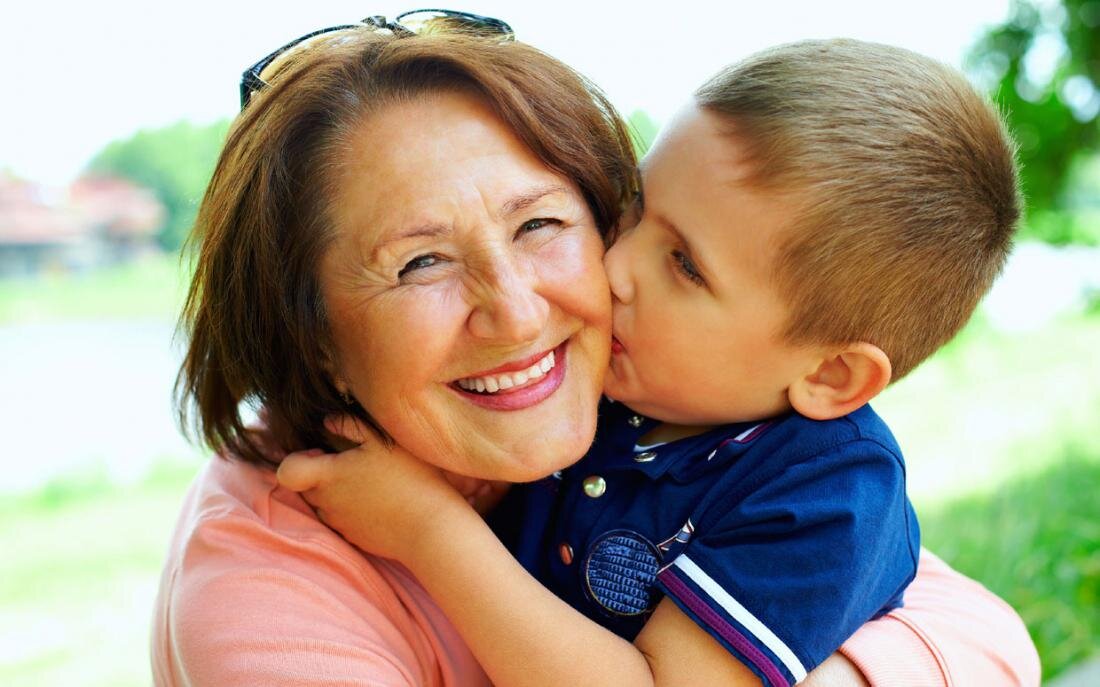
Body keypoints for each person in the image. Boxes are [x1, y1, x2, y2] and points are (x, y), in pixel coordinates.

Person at [151, 14, 1040, 687]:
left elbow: (982, 631)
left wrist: (429, 531)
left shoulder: (806, 478)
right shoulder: (266, 587)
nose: (608, 273)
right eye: (420, 262)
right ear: (307, 330)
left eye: (541, 223)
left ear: (830, 374)